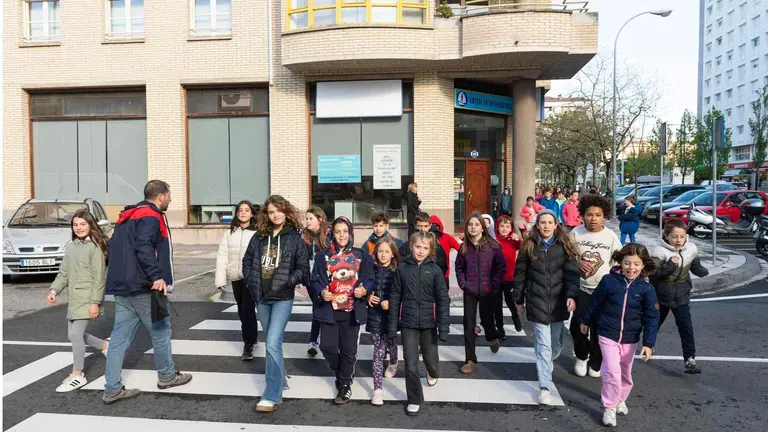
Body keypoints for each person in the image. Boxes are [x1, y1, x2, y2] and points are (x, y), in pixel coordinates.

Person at [103, 180, 192, 404]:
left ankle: (112, 388)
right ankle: (167, 376)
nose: (170, 199)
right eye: (169, 195)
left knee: (119, 339)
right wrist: (156, 276)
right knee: (161, 331)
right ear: (161, 196)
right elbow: (143, 247)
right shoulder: (151, 217)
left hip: (123, 287)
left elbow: (113, 248)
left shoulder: (127, 216)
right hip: (144, 286)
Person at [579, 244, 660, 427]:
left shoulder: (646, 289)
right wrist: (584, 321)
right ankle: (609, 406)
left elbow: (652, 317)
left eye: (636, 264)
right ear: (620, 263)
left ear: (643, 265)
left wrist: (649, 343)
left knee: (625, 372)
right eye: (627, 263)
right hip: (607, 333)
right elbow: (594, 302)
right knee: (612, 372)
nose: (631, 267)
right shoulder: (609, 281)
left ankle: (621, 398)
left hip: (630, 338)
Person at [243, 195, 310, 413]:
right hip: (261, 298)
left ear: (286, 211)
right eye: (271, 212)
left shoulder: (294, 238)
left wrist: (287, 282)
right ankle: (280, 380)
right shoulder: (258, 237)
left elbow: (303, 269)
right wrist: (253, 285)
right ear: (266, 214)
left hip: (282, 298)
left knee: (271, 342)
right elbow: (247, 261)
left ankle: (271, 394)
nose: (275, 215)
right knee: (275, 342)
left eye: (279, 210)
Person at [513, 209, 581, 405]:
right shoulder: (529, 246)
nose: (546, 226)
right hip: (537, 300)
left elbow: (572, 274)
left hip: (559, 302)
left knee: (557, 343)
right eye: (542, 222)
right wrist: (518, 300)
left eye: (550, 222)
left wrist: (571, 296)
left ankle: (547, 360)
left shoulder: (564, 246)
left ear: (556, 225)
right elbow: (520, 275)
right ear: (537, 225)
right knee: (543, 345)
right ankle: (544, 386)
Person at [311, 216, 374, 405]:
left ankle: (345, 384)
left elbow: (370, 279)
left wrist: (365, 290)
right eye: (338, 231)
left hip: (352, 310)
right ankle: (341, 372)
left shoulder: (361, 255)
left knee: (349, 350)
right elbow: (315, 280)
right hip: (329, 310)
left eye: (345, 231)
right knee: (327, 347)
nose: (341, 235)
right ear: (332, 233)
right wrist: (322, 292)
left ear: (351, 233)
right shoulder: (322, 256)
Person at [388, 231, 450, 416]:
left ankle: (433, 372)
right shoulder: (402, 269)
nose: (421, 251)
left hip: (428, 323)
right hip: (407, 322)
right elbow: (394, 298)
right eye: (418, 247)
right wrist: (392, 326)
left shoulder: (435, 270)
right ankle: (414, 398)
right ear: (411, 247)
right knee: (410, 363)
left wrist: (443, 327)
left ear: (430, 250)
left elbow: (442, 299)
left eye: (425, 248)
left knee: (431, 361)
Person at [47, 209, 109, 392]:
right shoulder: (72, 246)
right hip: (74, 299)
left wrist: (94, 303)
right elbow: (64, 273)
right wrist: (54, 290)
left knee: (75, 335)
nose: (79, 228)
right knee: (74, 335)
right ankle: (105, 346)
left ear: (90, 225)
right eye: (75, 225)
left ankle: (77, 374)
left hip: (88, 299)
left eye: (83, 224)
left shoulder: (95, 248)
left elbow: (99, 278)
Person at [569, 194, 622, 379]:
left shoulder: (610, 236)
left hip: (603, 291)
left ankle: (596, 361)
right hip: (581, 288)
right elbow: (567, 258)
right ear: (583, 215)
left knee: (600, 328)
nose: (593, 218)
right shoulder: (575, 233)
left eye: (597, 215)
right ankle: (582, 356)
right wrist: (577, 265)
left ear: (604, 216)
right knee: (579, 325)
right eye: (589, 214)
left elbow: (618, 262)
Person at [649, 219, 709, 374]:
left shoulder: (691, 248)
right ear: (666, 235)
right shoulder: (658, 251)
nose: (678, 240)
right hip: (661, 294)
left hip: (681, 293)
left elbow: (695, 266)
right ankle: (648, 346)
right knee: (654, 324)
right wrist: (670, 266)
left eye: (681, 236)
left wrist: (701, 271)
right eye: (674, 236)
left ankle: (690, 360)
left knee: (685, 327)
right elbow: (653, 275)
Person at [455, 213, 506, 374]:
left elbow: (501, 268)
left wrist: (494, 284)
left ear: (483, 228)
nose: (473, 227)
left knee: (486, 319)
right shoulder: (464, 247)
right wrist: (463, 283)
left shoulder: (493, 246)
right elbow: (458, 267)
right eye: (470, 224)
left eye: (476, 224)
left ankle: (492, 337)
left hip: (487, 290)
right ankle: (470, 359)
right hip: (470, 290)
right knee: (468, 324)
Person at [215, 201, 259, 361]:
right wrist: (220, 279)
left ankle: (248, 344)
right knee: (242, 310)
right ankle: (252, 338)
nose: (243, 213)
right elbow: (222, 256)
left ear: (252, 214)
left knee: (247, 309)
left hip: (251, 277)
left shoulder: (257, 233)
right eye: (240, 210)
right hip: (235, 276)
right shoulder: (229, 233)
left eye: (247, 210)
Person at [366, 237, 401, 406]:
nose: (383, 254)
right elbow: (364, 285)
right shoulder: (371, 269)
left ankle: (394, 360)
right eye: (380, 251)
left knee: (390, 344)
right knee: (378, 351)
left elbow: (402, 293)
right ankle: (377, 390)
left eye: (387, 251)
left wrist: (392, 302)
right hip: (375, 314)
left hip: (390, 316)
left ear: (393, 254)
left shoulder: (397, 271)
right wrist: (368, 296)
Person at [302, 206, 330, 357]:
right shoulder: (304, 236)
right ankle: (314, 341)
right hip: (310, 280)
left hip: (325, 280)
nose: (307, 221)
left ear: (320, 219)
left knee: (321, 309)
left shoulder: (328, 235)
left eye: (310, 218)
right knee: (317, 309)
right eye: (306, 218)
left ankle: (316, 340)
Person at [493, 215, 524, 335]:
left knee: (510, 301)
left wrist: (521, 234)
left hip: (510, 278)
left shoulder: (513, 240)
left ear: (511, 228)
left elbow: (524, 247)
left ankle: (515, 317)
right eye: (502, 226)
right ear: (497, 227)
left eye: (507, 226)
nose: (504, 229)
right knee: (496, 305)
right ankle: (500, 329)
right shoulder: (493, 240)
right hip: (496, 278)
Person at [399, 212, 448, 276]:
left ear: (430, 226)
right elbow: (400, 263)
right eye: (419, 226)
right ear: (415, 226)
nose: (422, 229)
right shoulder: (407, 245)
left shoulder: (436, 246)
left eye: (425, 226)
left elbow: (442, 267)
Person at [430, 215, 461, 290]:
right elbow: (460, 249)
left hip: (443, 272)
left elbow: (460, 249)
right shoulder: (427, 238)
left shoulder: (447, 237)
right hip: (435, 272)